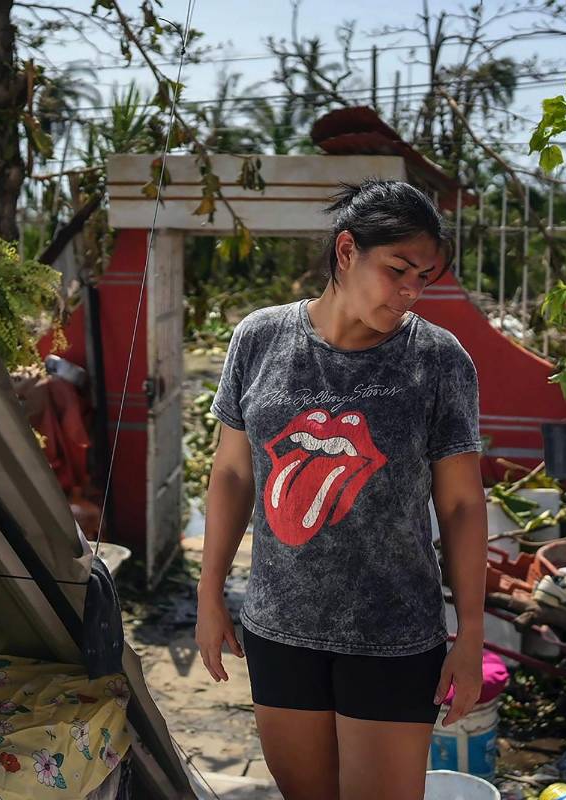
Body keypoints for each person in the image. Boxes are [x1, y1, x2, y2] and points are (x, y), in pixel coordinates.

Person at [195, 179, 489, 800]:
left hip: (393, 637)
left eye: (424, 278)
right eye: (398, 270)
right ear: (347, 250)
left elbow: (461, 504)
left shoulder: (438, 361)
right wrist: (210, 590)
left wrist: (470, 632)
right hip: (280, 630)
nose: (411, 292)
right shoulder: (261, 339)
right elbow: (232, 472)